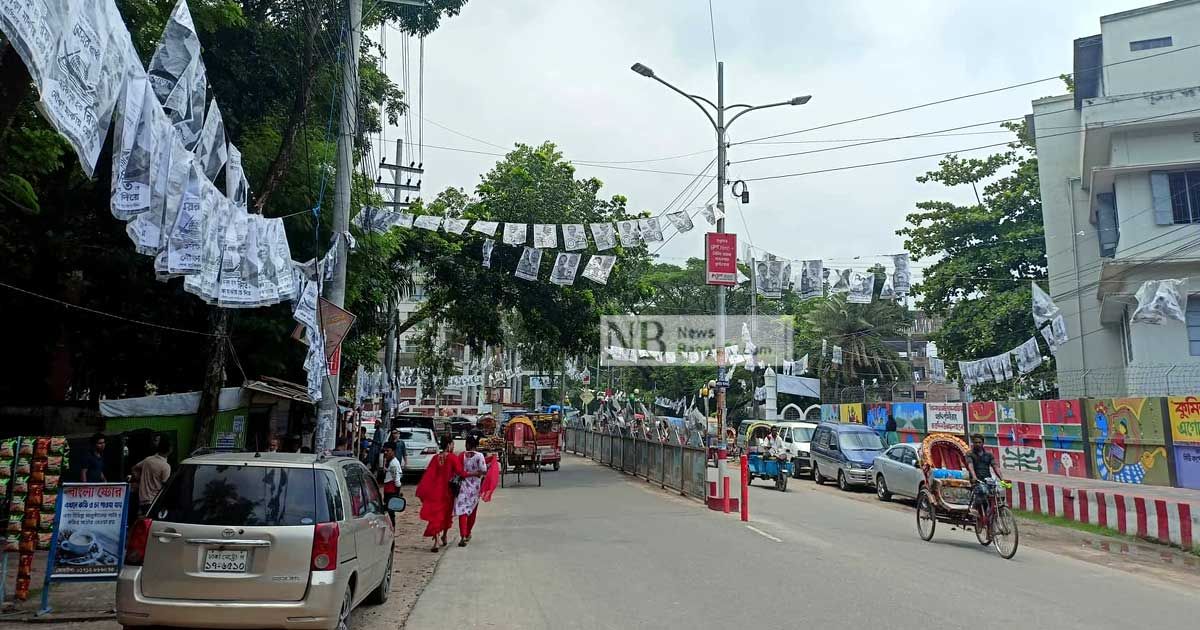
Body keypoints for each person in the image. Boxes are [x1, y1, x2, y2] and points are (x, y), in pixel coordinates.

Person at [415, 435, 456, 552]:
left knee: (436, 515)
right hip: (448, 491)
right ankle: (443, 536)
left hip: (435, 490)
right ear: (449, 445)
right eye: (452, 444)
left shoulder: (435, 458)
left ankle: (437, 540)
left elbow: (429, 475)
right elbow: (460, 472)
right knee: (447, 514)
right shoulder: (452, 458)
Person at [451, 433, 491, 547]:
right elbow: (483, 470)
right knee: (472, 511)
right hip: (475, 489)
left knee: (462, 511)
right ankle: (468, 533)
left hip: (463, 486)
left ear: (467, 444)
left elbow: (458, 471)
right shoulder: (479, 456)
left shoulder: (461, 455)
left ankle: (463, 535)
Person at [966, 433, 1004, 520]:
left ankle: (996, 513)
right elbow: (970, 466)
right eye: (976, 442)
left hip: (988, 480)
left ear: (983, 443)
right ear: (973, 443)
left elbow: (995, 467)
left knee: (999, 492)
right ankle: (974, 508)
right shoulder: (970, 454)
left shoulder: (989, 455)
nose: (978, 444)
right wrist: (974, 477)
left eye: (980, 442)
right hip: (976, 481)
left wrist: (1002, 479)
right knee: (982, 491)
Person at [130, 435, 171, 516]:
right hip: (154, 501)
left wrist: (139, 479)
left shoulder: (148, 460)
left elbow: (134, 468)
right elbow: (165, 485)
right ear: (169, 450)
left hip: (142, 500)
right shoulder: (165, 466)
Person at [381, 442, 403, 526]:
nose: (386, 452)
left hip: (391, 491)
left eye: (388, 451)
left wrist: (397, 493)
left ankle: (392, 531)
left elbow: (397, 482)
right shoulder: (392, 462)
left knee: (390, 513)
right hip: (390, 491)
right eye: (385, 451)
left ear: (393, 451)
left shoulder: (394, 464)